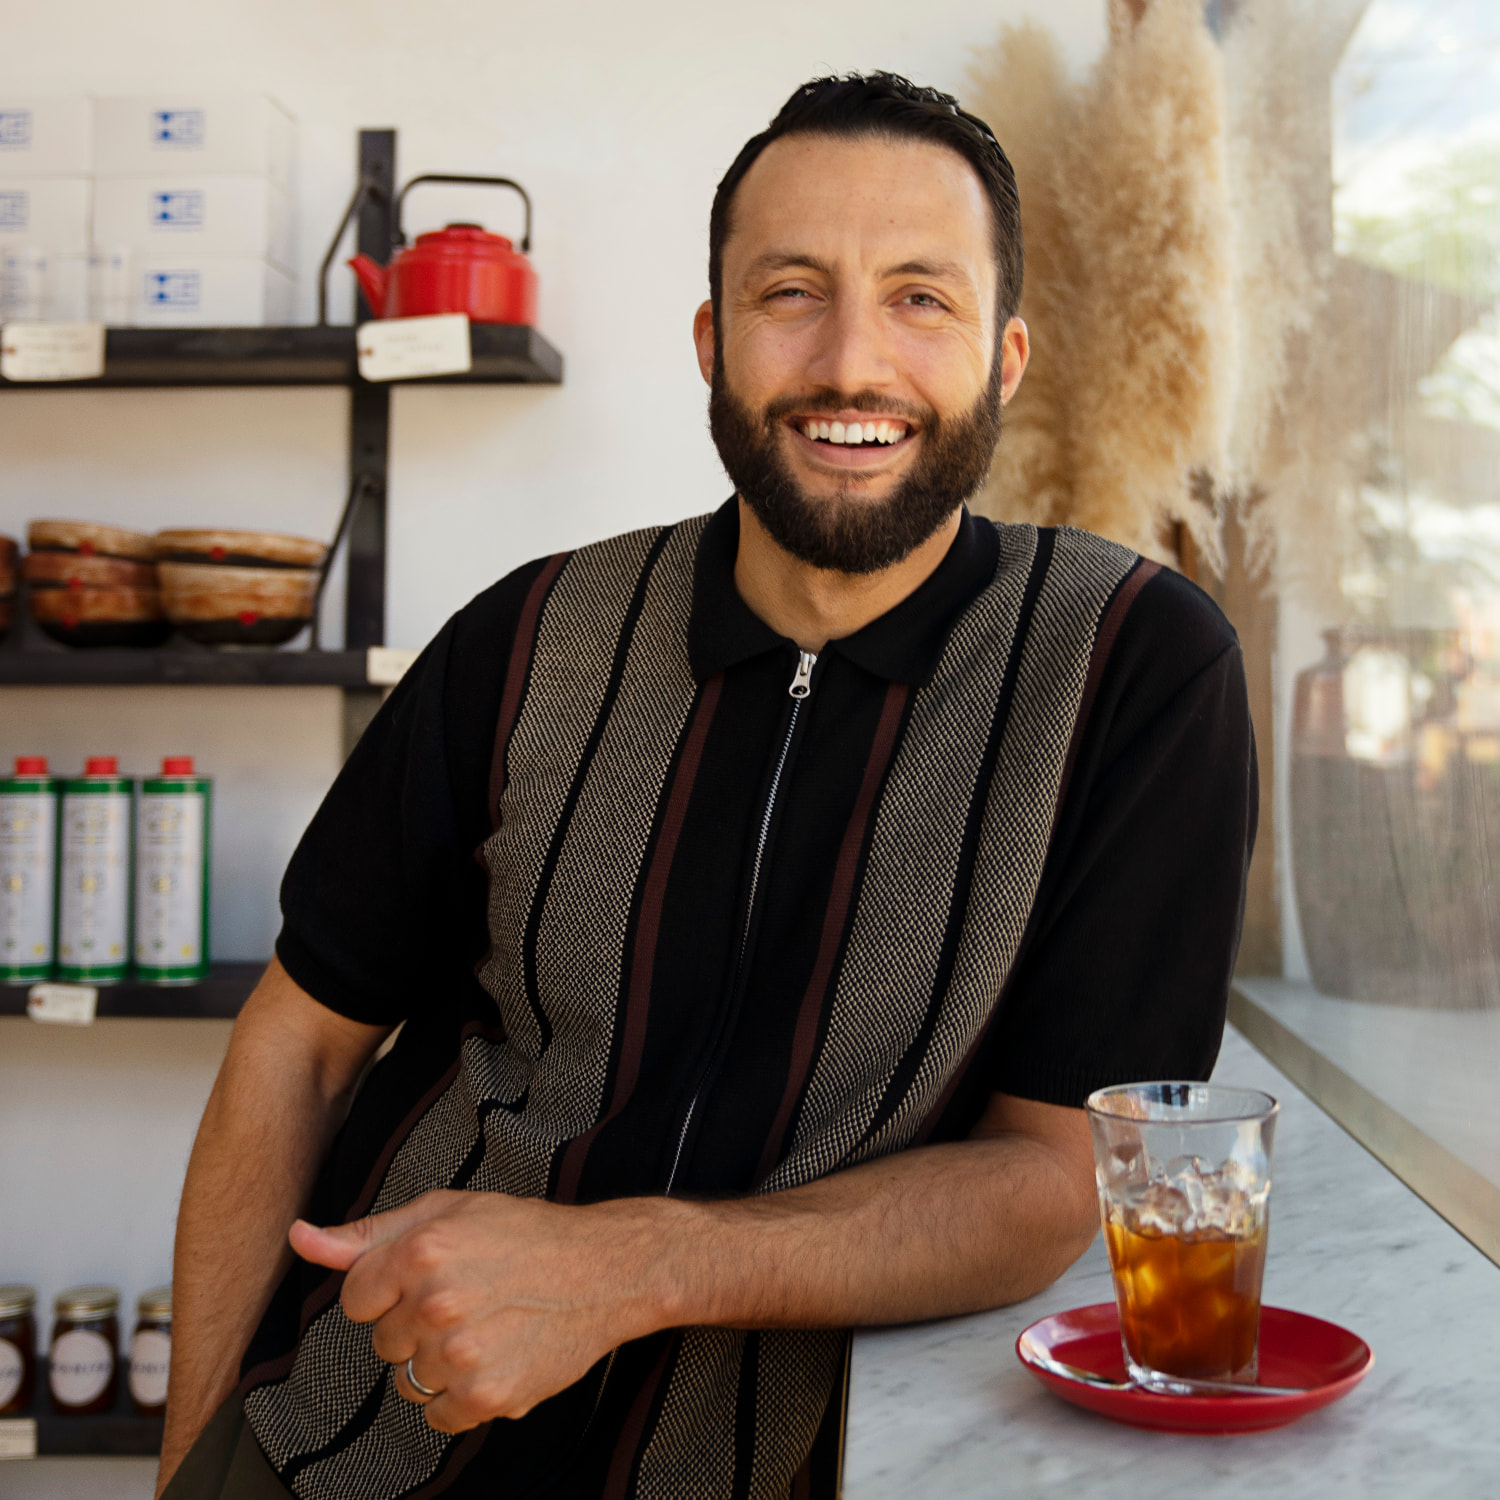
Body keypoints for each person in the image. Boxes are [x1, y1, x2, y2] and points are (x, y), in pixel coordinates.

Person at [157, 72, 1256, 1500]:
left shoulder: (1132, 671)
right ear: (711, 341)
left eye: (921, 297)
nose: (850, 361)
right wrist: (192, 1463)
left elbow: (1057, 1172)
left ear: (1007, 356)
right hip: (351, 1437)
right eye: (790, 290)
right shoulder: (529, 634)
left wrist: (621, 1269)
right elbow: (292, 1047)